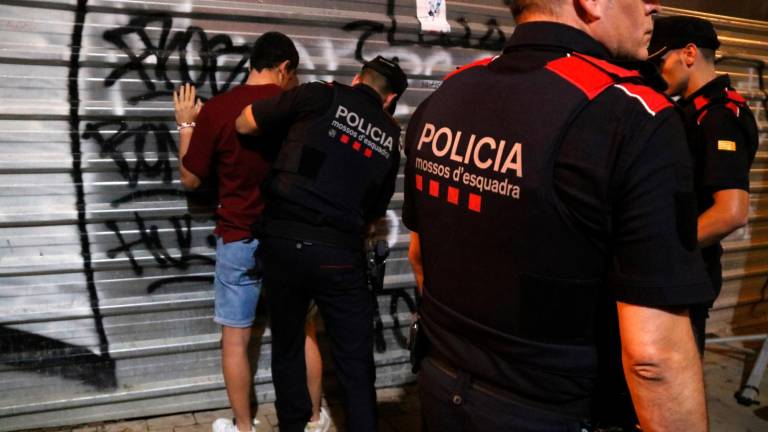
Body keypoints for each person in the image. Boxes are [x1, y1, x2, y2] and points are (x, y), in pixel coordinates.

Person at [403, 1, 715, 431]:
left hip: (441, 390)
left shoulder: (449, 92)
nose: (652, 5)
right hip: (556, 412)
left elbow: (421, 256)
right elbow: (653, 358)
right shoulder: (631, 117)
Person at [234, 56, 408, 432]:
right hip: (338, 256)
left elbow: (245, 121)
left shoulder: (318, 95)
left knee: (289, 343)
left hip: (282, 242)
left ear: (357, 78)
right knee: (355, 362)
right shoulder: (390, 140)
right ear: (390, 99)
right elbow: (374, 216)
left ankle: (293, 426)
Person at [173, 32, 329, 432]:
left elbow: (191, 179)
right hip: (289, 240)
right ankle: (314, 419)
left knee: (236, 339)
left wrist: (187, 123)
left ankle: (244, 426)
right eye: (292, 77)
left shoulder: (221, 109)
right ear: (284, 69)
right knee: (303, 330)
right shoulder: (298, 113)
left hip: (238, 237)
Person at [649, 16, 759, 352]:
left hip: (683, 276)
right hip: (677, 273)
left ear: (689, 53)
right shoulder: (694, 111)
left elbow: (731, 212)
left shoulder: (719, 117)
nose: (654, 71)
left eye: (659, 61)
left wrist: (655, 252)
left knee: (674, 392)